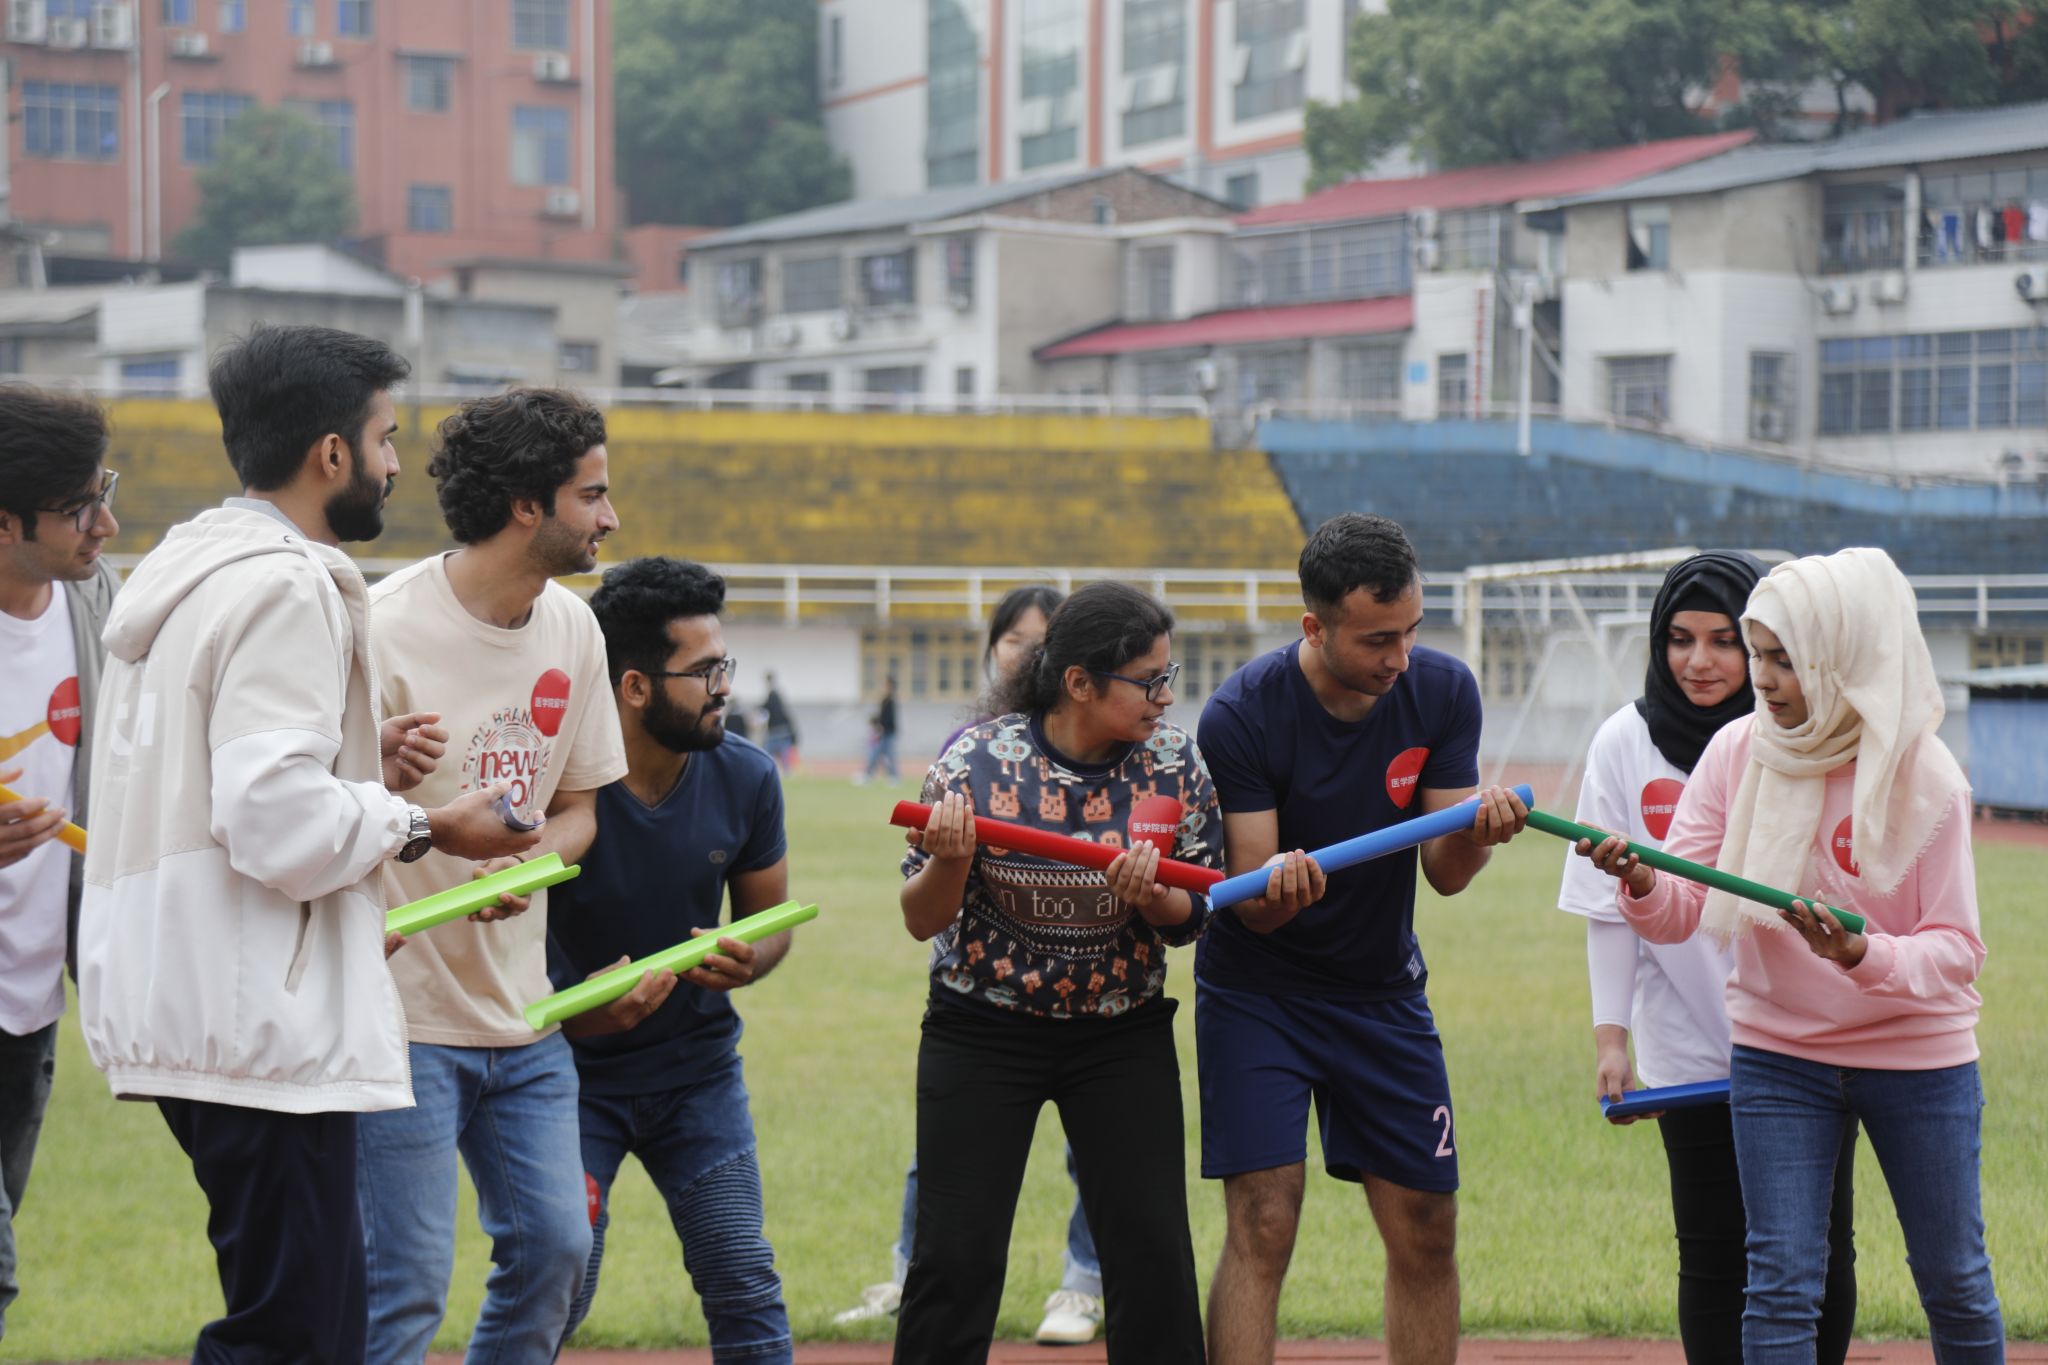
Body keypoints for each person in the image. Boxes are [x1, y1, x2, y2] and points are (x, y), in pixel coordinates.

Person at [75, 324, 537, 1362]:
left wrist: (352, 758)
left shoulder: (193, 570)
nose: (391, 462)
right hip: (255, 1016)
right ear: (330, 452)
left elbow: (207, 780)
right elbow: (272, 819)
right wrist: (429, 823)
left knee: (319, 1320)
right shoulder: (285, 586)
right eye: (383, 437)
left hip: (201, 997)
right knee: (293, 1335)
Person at [1577, 547, 2004, 1365]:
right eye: (1760, 654)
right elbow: (1682, 909)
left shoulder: (1926, 776)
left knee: (1953, 1278)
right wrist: (1640, 880)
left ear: (1840, 659)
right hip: (1779, 1054)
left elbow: (1957, 952)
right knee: (1777, 1283)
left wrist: (1863, 953)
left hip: (1918, 1056)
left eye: (1782, 659)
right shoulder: (1739, 751)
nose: (1762, 679)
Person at [1194, 513, 1526, 1365]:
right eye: (1379, 639)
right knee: (1263, 1219)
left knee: (1426, 1225)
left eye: (1412, 631)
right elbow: (1253, 899)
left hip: (1380, 990)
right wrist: (1283, 891)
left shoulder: (1443, 691)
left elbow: (1447, 873)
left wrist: (1481, 830)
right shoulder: (1240, 714)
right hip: (1258, 992)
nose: (1400, 657)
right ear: (1315, 626)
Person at [359, 388, 629, 1362]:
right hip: (400, 1017)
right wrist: (445, 841)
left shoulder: (574, 630)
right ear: (528, 505)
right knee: (401, 1294)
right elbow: (319, 818)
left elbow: (581, 812)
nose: (609, 518)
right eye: (591, 495)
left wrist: (523, 857)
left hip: (524, 1015)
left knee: (559, 1249)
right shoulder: (378, 626)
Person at [892, 580, 1215, 1365]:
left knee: (1151, 1254)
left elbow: (1194, 919)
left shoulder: (1172, 763)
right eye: (1149, 681)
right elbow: (921, 918)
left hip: (1119, 1031)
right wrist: (951, 859)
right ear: (1079, 682)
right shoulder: (975, 758)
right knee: (955, 1257)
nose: (1165, 698)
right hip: (982, 1025)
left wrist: (1158, 896)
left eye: (1168, 677)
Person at [1557, 551, 1858, 1365]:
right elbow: (1607, 907)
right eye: (1681, 639)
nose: (1700, 661)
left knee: (1817, 1251)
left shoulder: (1808, 739)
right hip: (1690, 1048)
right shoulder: (1624, 742)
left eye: (1727, 640)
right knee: (1716, 1251)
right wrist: (1611, 1038)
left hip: (1806, 1041)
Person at [836, 583, 1109, 1346]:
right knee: (948, 1157)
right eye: (1016, 640)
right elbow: (921, 897)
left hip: (1092, 999)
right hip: (980, 998)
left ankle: (1083, 1284)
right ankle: (907, 1270)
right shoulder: (972, 749)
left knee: (1099, 1149)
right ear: (993, 648)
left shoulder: (1105, 751)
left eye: (1047, 640)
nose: (1030, 654)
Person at [550, 556, 796, 1360]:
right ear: (633, 686)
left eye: (724, 664)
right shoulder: (556, 787)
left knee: (742, 1277)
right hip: (566, 1082)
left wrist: (745, 958)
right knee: (553, 1284)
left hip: (697, 1075)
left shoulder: (750, 777)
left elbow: (772, 922)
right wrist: (579, 1007)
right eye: (703, 671)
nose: (725, 685)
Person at [0, 385, 119, 1344]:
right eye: (81, 507)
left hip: (30, 1001)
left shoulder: (102, 604)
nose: (105, 524)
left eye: (102, 491)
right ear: (5, 523)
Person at [858, 674, 900, 785]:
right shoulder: (884, 700)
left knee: (883, 755)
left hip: (887, 733)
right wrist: (874, 722)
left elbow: (889, 718)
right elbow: (881, 717)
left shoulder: (890, 701)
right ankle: (870, 775)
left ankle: (892, 777)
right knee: (878, 755)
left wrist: (881, 727)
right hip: (883, 733)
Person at [760, 673, 798, 772]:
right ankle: (786, 771)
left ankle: (768, 769)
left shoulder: (772, 695)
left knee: (767, 751)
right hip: (783, 730)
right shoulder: (777, 694)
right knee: (783, 753)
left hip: (776, 730)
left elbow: (765, 707)